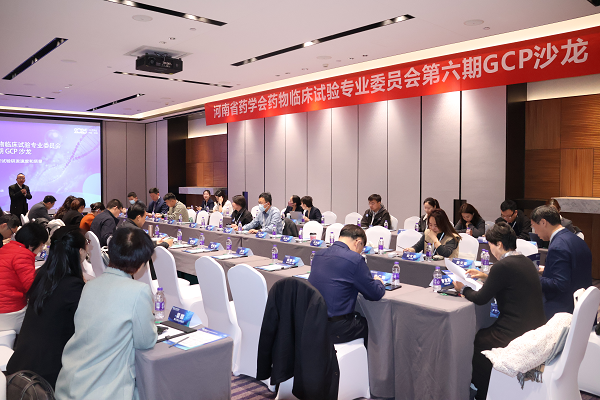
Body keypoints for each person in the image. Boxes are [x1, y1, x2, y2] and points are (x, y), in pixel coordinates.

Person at [55, 227, 157, 400]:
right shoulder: (139, 291)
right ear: (141, 262)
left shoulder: (90, 285)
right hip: (105, 390)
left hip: (69, 383)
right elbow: (145, 341)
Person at [453, 222, 546, 400]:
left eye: (490, 245)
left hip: (517, 330)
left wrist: (463, 288)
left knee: (480, 341)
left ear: (499, 244)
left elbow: (481, 298)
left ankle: (484, 391)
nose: (490, 250)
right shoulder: (525, 260)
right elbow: (511, 281)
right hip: (536, 325)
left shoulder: (502, 266)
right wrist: (485, 276)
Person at [6, 226, 86, 388]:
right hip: (46, 378)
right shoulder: (73, 287)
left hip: (21, 365)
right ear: (79, 252)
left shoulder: (42, 276)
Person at [308, 224, 385, 346]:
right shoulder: (355, 259)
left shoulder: (318, 255)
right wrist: (379, 282)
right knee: (367, 324)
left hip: (314, 322)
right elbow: (374, 293)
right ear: (358, 242)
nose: (360, 252)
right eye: (361, 249)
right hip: (337, 328)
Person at [530, 205, 592, 320]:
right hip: (583, 305)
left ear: (543, 222)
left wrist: (532, 277)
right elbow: (572, 270)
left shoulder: (558, 246)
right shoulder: (575, 239)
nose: (535, 232)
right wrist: (547, 270)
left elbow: (559, 284)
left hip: (563, 310)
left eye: (533, 226)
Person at [0, 223, 48, 332]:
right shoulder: (23, 255)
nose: (41, 249)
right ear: (32, 244)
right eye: (42, 245)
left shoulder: (6, 247)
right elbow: (32, 288)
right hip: (9, 312)